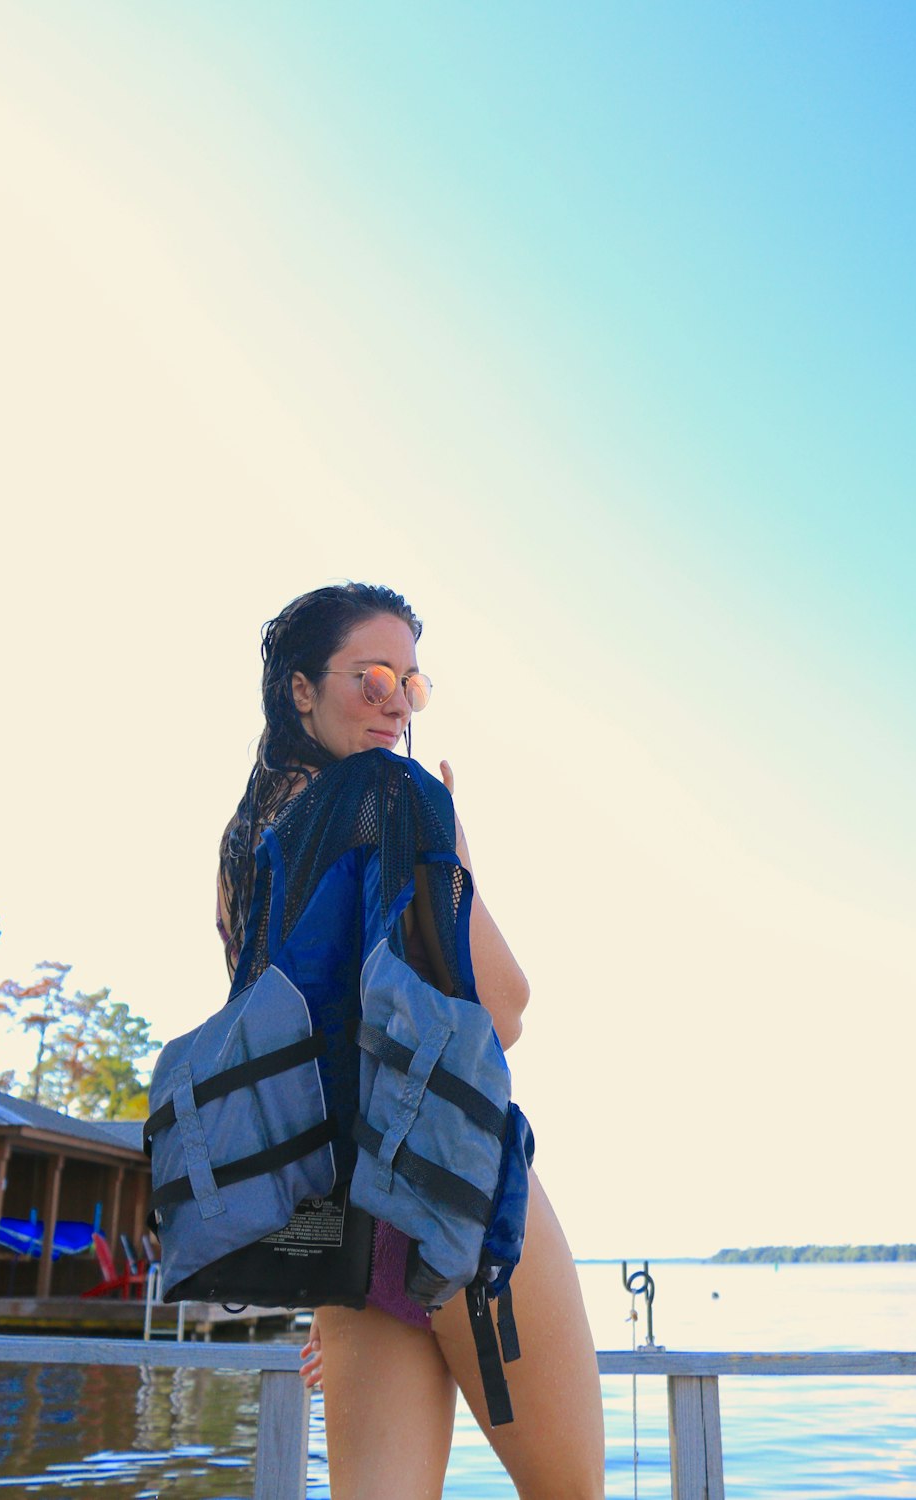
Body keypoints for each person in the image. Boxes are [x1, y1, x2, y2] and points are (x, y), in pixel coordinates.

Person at [217, 583, 604, 1500]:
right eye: (374, 675)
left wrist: (324, 1265)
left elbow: (270, 1068)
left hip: (347, 1224)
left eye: (413, 682)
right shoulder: (400, 800)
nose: (398, 699)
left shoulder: (242, 846)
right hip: (457, 1196)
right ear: (301, 689)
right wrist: (454, 847)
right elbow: (503, 1009)